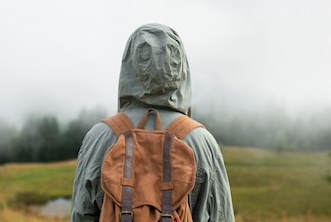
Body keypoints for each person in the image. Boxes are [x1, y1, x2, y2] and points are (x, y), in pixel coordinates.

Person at [70, 23, 235, 222]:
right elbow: (222, 217)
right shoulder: (202, 141)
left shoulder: (98, 137)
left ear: (129, 64)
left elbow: (80, 215)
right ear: (180, 67)